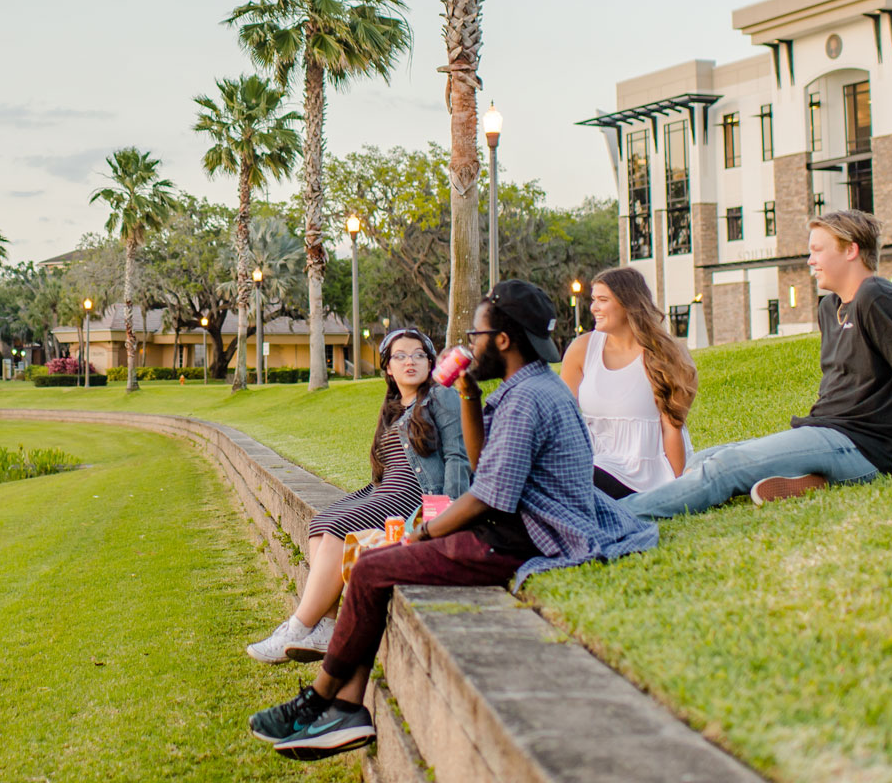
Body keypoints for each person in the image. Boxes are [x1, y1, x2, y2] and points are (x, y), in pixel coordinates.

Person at [247, 282, 657, 760]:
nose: (469, 342)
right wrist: (467, 394)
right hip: (515, 526)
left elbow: (487, 495)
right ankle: (345, 709)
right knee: (375, 567)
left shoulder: (528, 400)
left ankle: (321, 702)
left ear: (502, 340)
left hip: (527, 537)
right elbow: (487, 464)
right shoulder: (525, 387)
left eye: (476, 332)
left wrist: (420, 535)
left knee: (372, 568)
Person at [622, 210, 892, 521]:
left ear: (851, 250)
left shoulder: (877, 298)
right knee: (704, 458)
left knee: (725, 467)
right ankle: (810, 477)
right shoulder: (829, 308)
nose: (810, 260)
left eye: (818, 250)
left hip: (868, 446)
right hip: (826, 430)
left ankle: (618, 516)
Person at [246, 327, 471, 665]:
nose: (410, 361)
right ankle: (326, 626)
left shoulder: (441, 397)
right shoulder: (394, 409)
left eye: (418, 354)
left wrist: (447, 512)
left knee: (343, 527)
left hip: (416, 495)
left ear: (430, 362)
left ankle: (297, 627)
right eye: (400, 356)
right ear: (388, 370)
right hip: (386, 491)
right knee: (321, 523)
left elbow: (457, 455)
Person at [559, 266, 699, 497]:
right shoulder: (581, 349)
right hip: (593, 461)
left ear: (628, 304)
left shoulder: (665, 356)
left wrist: (677, 489)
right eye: (593, 299)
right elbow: (562, 418)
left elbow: (672, 428)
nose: (594, 307)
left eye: (603, 300)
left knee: (576, 484)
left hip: (644, 473)